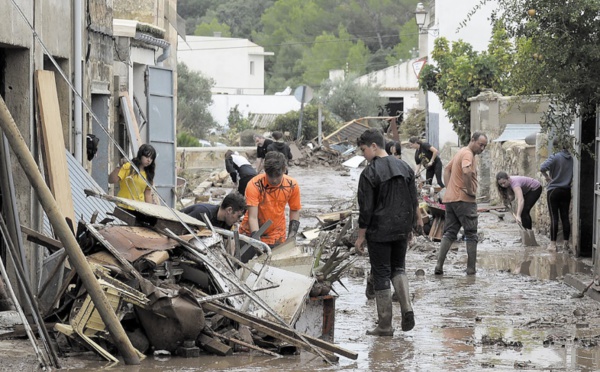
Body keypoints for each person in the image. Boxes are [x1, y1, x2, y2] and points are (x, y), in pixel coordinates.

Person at [354, 128, 422, 336]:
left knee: (382, 272)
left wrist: (360, 235)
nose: (363, 154)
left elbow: (366, 208)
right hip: (402, 227)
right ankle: (407, 308)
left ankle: (384, 325)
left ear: (374, 146)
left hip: (379, 230)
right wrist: (414, 223)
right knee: (398, 268)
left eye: (364, 150)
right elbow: (413, 199)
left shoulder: (369, 172)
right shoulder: (405, 166)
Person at [435, 132, 488, 276]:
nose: (482, 148)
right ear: (472, 140)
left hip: (451, 199)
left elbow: (447, 169)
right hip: (464, 200)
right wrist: (470, 190)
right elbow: (466, 171)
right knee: (471, 233)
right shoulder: (468, 154)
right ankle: (471, 269)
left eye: (484, 146)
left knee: (449, 233)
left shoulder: (461, 152)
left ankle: (439, 266)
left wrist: (449, 188)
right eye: (480, 144)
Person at [239, 151, 301, 247]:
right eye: (270, 176)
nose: (274, 180)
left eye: (277, 176)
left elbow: (295, 210)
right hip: (250, 232)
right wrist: (256, 240)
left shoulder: (292, 185)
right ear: (265, 170)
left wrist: (292, 236)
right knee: (241, 261)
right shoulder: (254, 185)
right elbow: (253, 217)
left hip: (276, 234)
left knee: (274, 261)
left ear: (284, 169)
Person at [540, 138, 573, 251]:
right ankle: (566, 243)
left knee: (554, 217)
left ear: (556, 146)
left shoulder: (555, 156)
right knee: (565, 217)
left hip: (554, 190)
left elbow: (542, 167)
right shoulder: (572, 158)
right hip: (566, 190)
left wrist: (547, 177)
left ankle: (553, 245)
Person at [181, 192, 247, 230]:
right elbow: (180, 228)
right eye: (238, 216)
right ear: (229, 210)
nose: (238, 220)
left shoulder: (227, 222)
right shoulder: (203, 213)